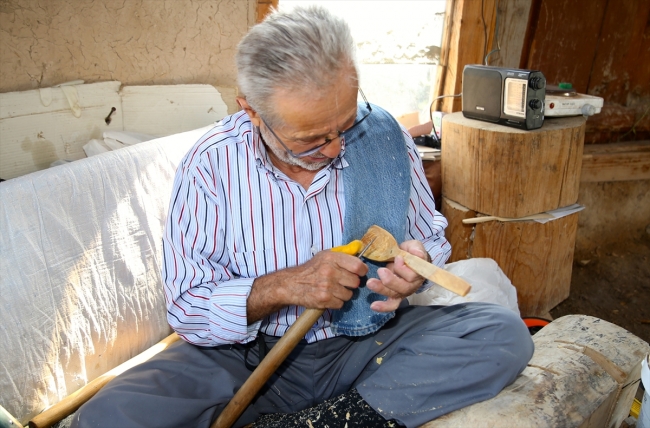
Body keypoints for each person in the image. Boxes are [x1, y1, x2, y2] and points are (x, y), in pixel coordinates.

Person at [72, 6, 533, 428]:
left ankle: (332, 419)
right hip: (247, 357)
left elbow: (428, 237)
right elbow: (189, 308)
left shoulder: (384, 136)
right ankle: (359, 409)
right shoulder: (211, 164)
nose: (335, 149)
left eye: (345, 125)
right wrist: (284, 286)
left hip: (366, 345)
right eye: (311, 139)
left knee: (501, 335)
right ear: (250, 110)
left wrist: (414, 266)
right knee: (109, 416)